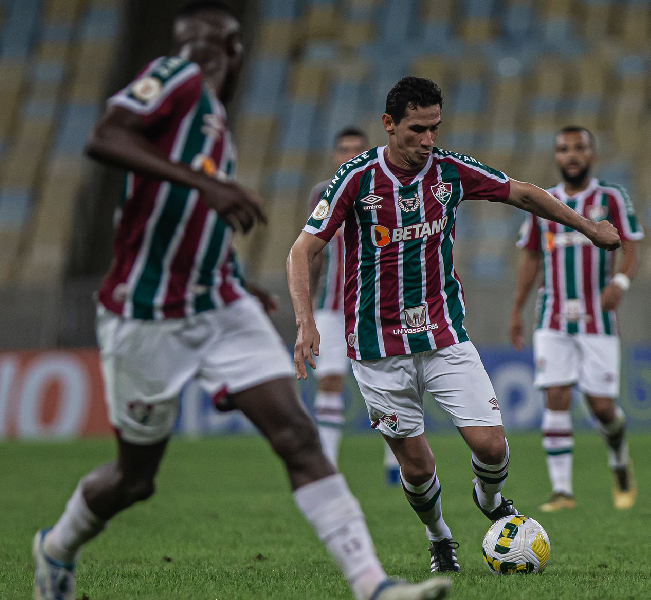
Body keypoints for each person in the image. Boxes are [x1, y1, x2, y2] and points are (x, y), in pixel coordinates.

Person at [32, 4, 450, 600]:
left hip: (220, 303)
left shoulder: (214, 127)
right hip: (145, 314)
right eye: (194, 45)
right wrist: (209, 183)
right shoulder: (176, 82)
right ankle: (57, 547)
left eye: (214, 47)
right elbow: (104, 135)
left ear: (234, 57)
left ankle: (372, 585)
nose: (202, 56)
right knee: (135, 479)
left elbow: (185, 221)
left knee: (297, 436)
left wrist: (233, 273)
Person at [287, 77, 621, 573]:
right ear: (389, 125)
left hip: (444, 336)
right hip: (378, 349)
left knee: (491, 445)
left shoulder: (449, 171)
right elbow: (303, 248)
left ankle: (488, 500)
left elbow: (524, 194)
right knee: (417, 468)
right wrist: (305, 321)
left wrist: (589, 228)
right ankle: (439, 536)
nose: (428, 140)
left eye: (435, 128)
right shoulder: (355, 179)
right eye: (417, 130)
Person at [509, 126, 643, 513]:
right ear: (556, 156)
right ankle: (562, 492)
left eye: (579, 148)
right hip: (551, 315)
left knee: (602, 407)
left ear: (592, 155)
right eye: (563, 149)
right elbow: (530, 257)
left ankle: (619, 461)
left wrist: (619, 280)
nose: (571, 155)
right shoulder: (543, 202)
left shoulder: (611, 197)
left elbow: (632, 246)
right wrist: (516, 309)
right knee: (556, 395)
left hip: (597, 318)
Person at [308, 126, 401, 485]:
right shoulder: (321, 193)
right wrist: (309, 304)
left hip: (376, 305)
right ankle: (327, 464)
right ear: (335, 155)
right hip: (331, 306)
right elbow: (313, 251)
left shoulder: (385, 186)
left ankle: (395, 464)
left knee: (391, 383)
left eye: (356, 149)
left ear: (368, 152)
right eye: (343, 149)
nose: (348, 154)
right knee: (329, 381)